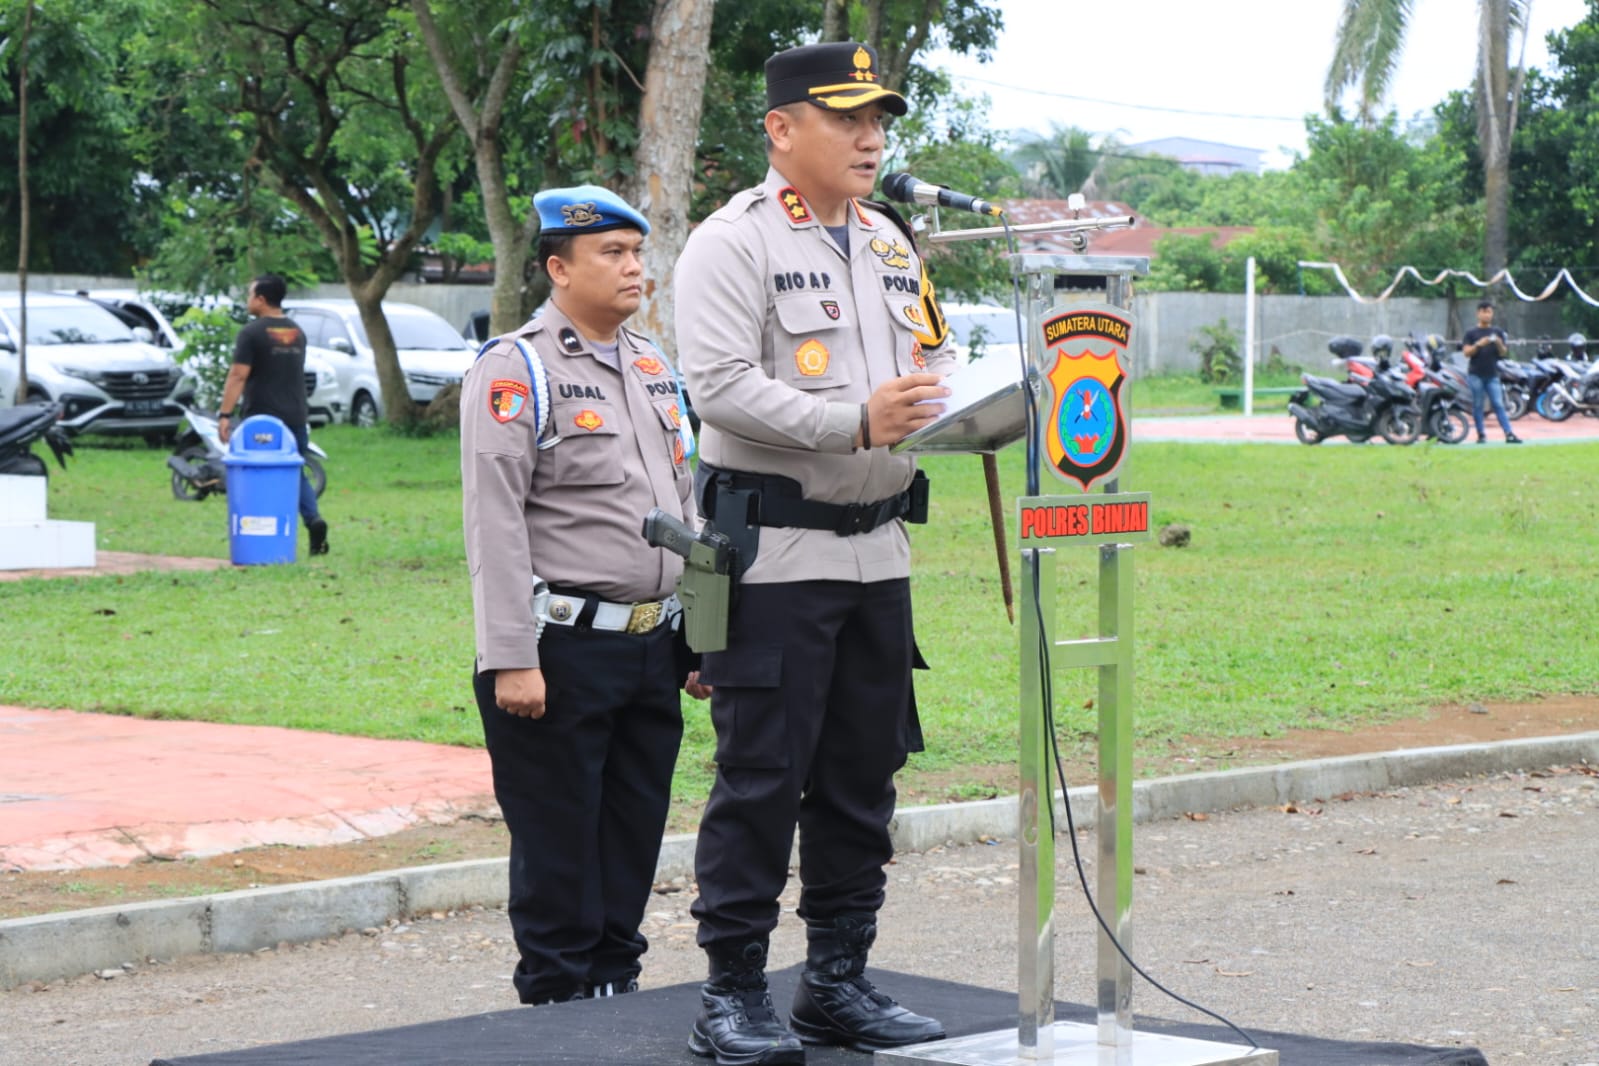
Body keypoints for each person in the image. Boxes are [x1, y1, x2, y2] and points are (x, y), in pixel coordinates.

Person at [673, 41, 955, 1065]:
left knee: (861, 775)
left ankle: (836, 980)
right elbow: (716, 386)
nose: (871, 136)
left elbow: (935, 358)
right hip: (778, 553)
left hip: (879, 557)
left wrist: (967, 404)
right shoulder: (732, 241)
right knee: (762, 774)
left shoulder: (888, 243)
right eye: (847, 118)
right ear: (782, 130)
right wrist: (852, 422)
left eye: (878, 118)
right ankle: (733, 992)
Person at [460, 184, 708, 1007]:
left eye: (637, 252)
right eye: (612, 252)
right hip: (558, 651)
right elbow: (493, 523)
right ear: (559, 267)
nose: (634, 267)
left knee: (632, 838)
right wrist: (510, 659)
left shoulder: (648, 364)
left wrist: (701, 636)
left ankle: (614, 994)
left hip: (651, 647)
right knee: (560, 850)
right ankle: (556, 1012)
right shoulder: (517, 368)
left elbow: (687, 508)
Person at [217, 275, 330, 554]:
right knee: (295, 471)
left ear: (261, 299)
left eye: (250, 294)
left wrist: (224, 414)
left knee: (256, 474)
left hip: (262, 419)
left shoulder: (252, 333)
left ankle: (260, 528)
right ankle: (312, 519)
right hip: (296, 417)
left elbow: (238, 375)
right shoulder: (296, 332)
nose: (247, 299)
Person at [1461, 300, 1521, 444]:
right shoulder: (1471, 332)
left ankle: (1509, 433)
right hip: (1475, 374)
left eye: (1490, 312)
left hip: (1492, 374)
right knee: (1478, 405)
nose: (1487, 315)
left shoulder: (1497, 332)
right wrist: (1478, 344)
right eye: (1484, 311)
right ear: (1478, 313)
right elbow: (1466, 352)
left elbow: (1503, 353)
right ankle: (1481, 434)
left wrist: (1499, 343)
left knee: (1498, 404)